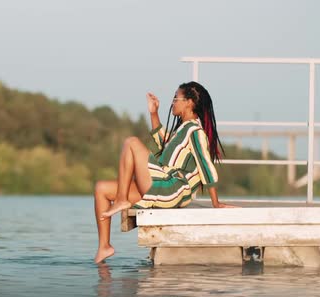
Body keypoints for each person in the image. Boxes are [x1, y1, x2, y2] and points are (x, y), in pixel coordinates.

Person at [93, 81, 235, 264]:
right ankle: (104, 247)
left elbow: (205, 165)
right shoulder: (181, 130)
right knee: (101, 188)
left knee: (131, 142)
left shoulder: (195, 131)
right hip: (161, 182)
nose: (173, 102)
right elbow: (163, 145)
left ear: (189, 103)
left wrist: (216, 203)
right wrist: (153, 113)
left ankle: (122, 200)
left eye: (176, 98)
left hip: (171, 189)